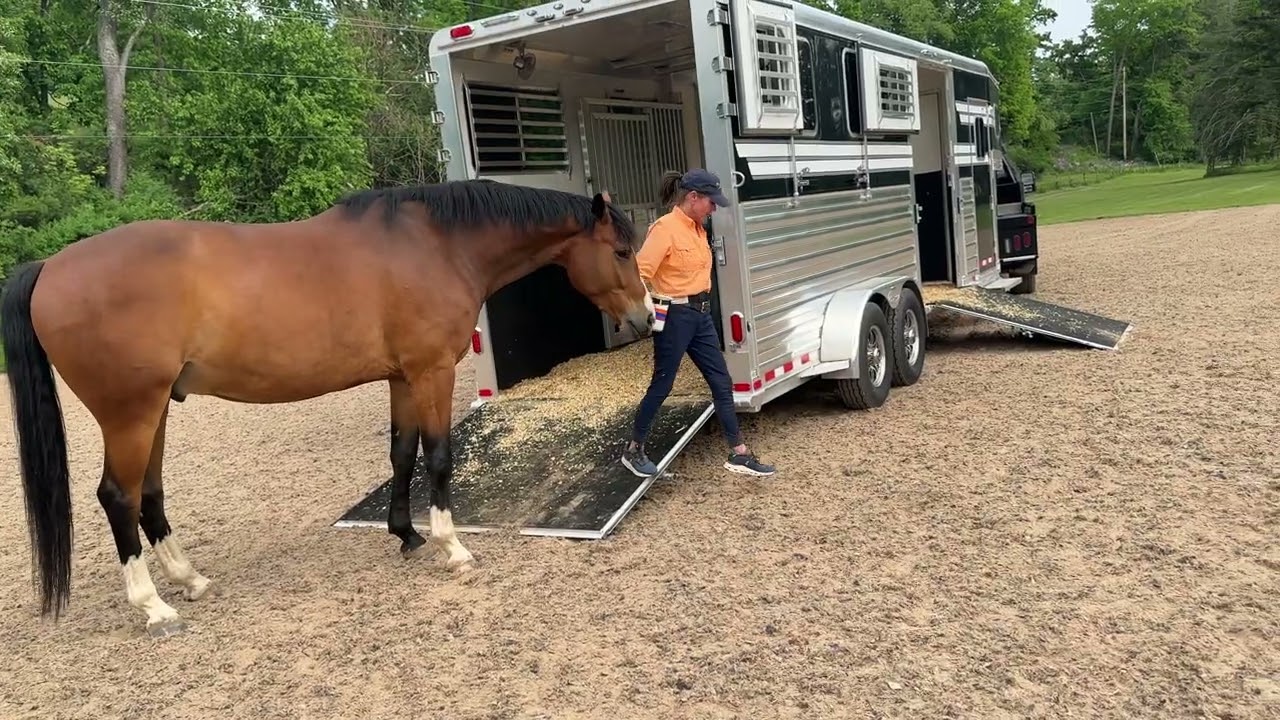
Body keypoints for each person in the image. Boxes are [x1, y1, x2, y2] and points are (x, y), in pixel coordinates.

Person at [620, 168, 776, 478]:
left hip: (701, 315)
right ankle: (633, 450)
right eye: (711, 202)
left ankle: (739, 454)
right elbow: (640, 274)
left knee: (721, 382)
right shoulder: (664, 230)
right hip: (674, 316)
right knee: (662, 385)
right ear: (693, 198)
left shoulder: (697, 228)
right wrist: (644, 313)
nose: (714, 208)